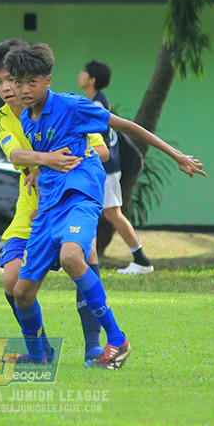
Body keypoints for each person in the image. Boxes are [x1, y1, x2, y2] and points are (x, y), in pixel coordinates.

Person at [4, 42, 206, 370]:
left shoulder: (72, 106)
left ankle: (116, 337)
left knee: (72, 256)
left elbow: (125, 125)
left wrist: (176, 155)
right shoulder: (27, 120)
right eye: (18, 81)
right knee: (21, 292)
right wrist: (40, 170)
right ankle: (38, 355)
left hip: (81, 196)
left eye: (32, 81)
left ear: (48, 81)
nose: (24, 89)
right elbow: (51, 152)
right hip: (48, 206)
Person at [0, 39, 110, 365]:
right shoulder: (1, 119)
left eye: (10, 80)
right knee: (11, 280)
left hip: (67, 198)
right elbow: (15, 154)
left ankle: (94, 346)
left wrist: (54, 165)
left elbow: (102, 150)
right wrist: (44, 162)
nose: (7, 88)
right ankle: (41, 351)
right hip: (31, 208)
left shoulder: (63, 106)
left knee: (86, 250)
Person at [78, 60, 153, 275]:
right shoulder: (96, 101)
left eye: (84, 72)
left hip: (106, 168)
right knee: (109, 214)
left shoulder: (97, 105)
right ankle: (139, 259)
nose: (80, 74)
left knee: (110, 214)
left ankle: (141, 260)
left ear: (92, 80)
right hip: (105, 168)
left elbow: (98, 141)